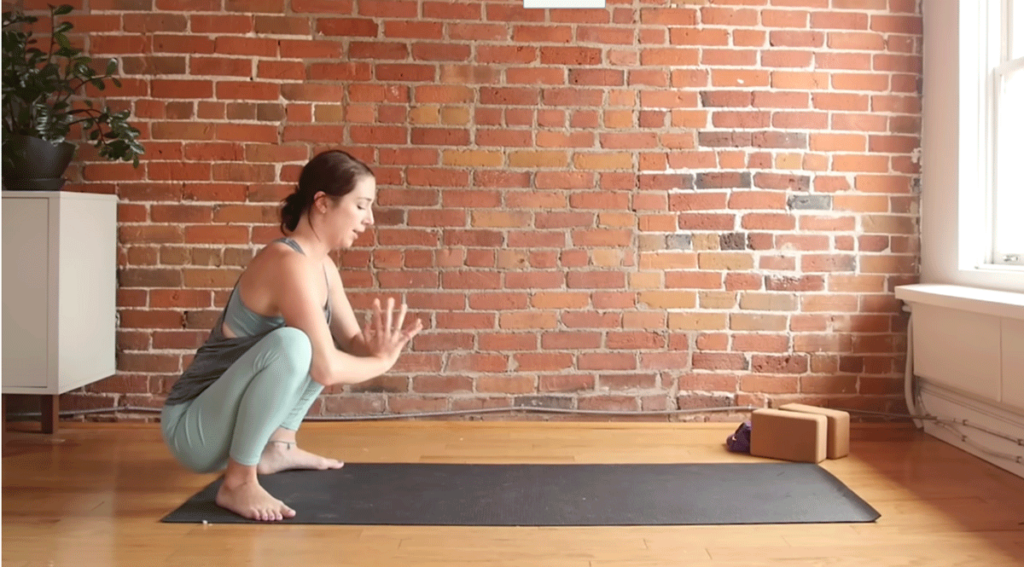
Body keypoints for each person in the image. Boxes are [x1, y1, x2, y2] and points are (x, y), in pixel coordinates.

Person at [161, 149, 423, 522]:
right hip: (191, 428)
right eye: (361, 205)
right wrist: (380, 362)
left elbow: (350, 343)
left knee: (313, 339)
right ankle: (237, 482)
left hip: (222, 424)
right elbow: (326, 369)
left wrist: (382, 345)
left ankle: (278, 445)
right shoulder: (287, 262)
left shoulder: (323, 266)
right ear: (322, 203)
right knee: (296, 344)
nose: (369, 218)